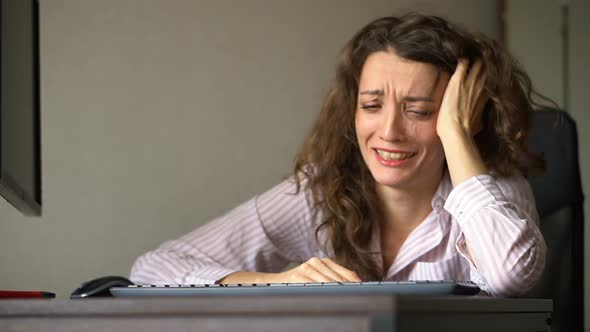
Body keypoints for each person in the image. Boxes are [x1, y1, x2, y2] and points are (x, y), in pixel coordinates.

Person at [130, 13, 547, 297]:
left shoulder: (494, 194)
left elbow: (510, 274)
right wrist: (275, 284)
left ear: (465, 113)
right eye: (371, 106)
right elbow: (152, 269)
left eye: (419, 111)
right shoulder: (320, 190)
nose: (388, 132)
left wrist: (456, 135)